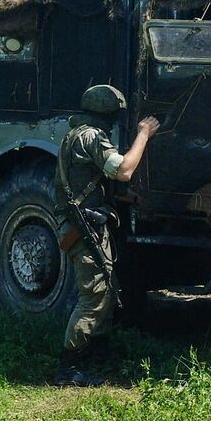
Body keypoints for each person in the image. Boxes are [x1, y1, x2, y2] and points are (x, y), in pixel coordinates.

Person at [54, 84, 158, 386]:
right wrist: (143, 134)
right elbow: (123, 169)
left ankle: (96, 354)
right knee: (93, 297)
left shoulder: (76, 134)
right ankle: (68, 367)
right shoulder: (90, 137)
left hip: (88, 224)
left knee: (106, 289)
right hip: (83, 228)